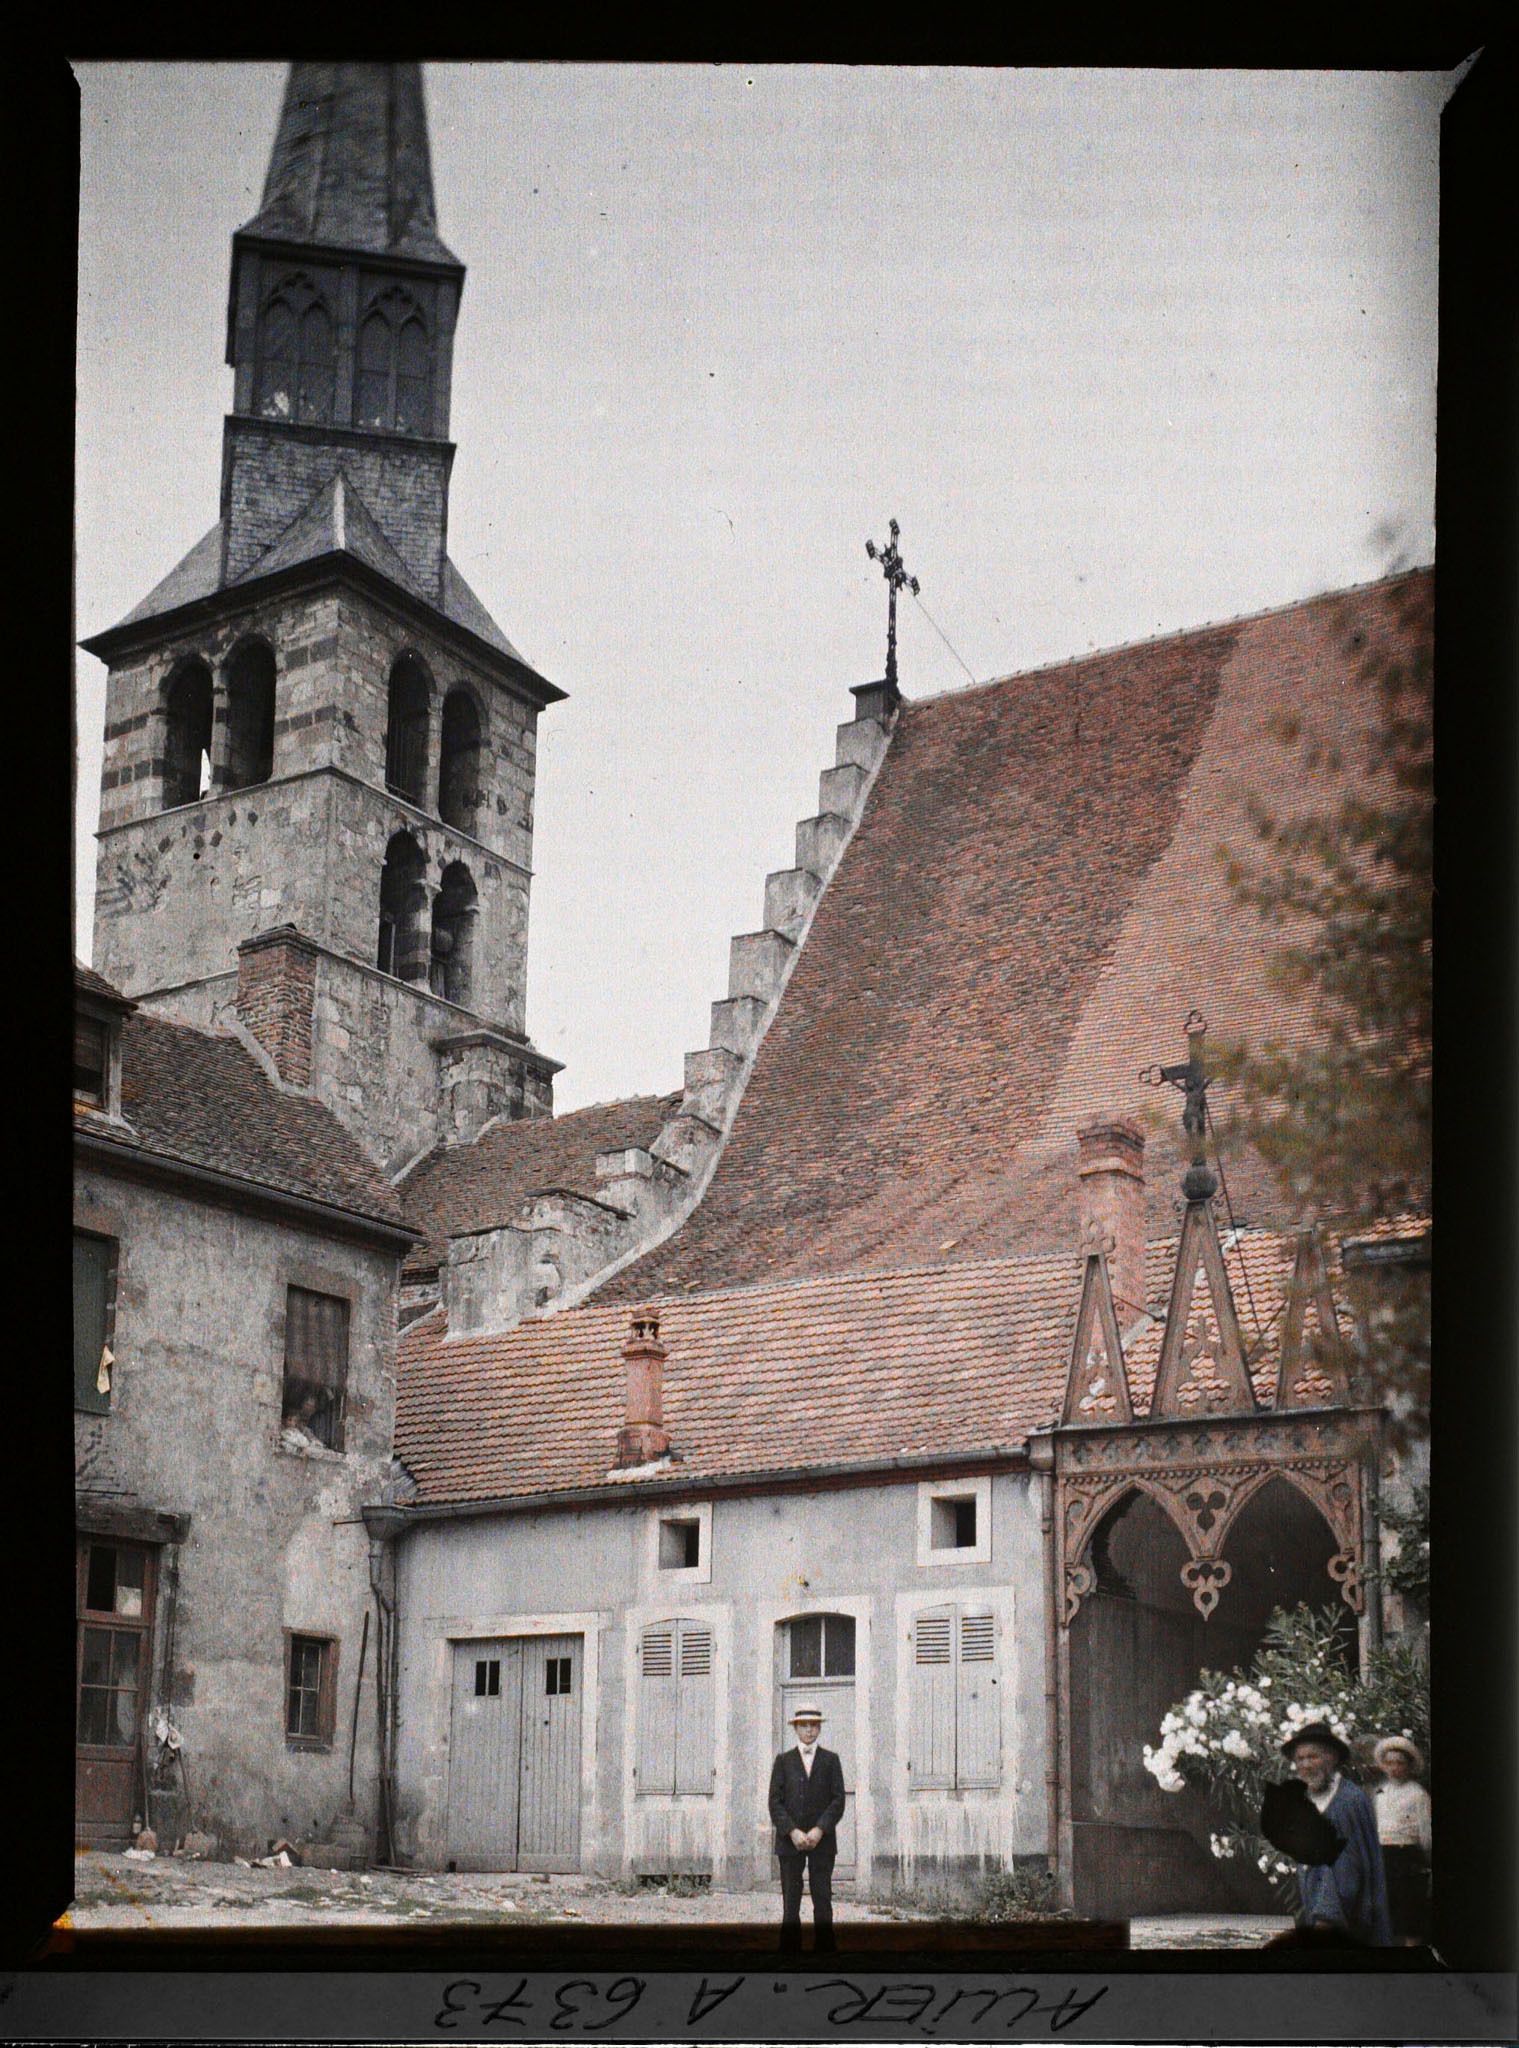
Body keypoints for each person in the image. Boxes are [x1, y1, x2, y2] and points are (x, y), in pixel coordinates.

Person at [1281, 1721, 1392, 1946]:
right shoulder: (1312, 1800)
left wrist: (1325, 1921)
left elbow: (1345, 1870)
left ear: (1331, 1758)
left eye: (1312, 1757)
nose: (1305, 1764)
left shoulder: (1346, 1803)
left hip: (1341, 1924)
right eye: (1300, 1759)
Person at [768, 1705, 846, 1953]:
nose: (810, 1730)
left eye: (814, 1725)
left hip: (822, 1841)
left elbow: (838, 1800)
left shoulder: (831, 1760)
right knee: (791, 1899)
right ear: (795, 1728)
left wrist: (819, 1830)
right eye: (804, 1725)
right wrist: (792, 1831)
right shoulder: (783, 1761)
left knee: (822, 1896)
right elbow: (774, 1802)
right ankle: (790, 1950)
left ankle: (825, 1949)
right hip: (789, 1842)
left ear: (819, 1728)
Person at [1372, 1735, 1432, 1946]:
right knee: (1385, 1912)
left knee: (1410, 1915)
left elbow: (1426, 1833)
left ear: (1409, 1765)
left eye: (1400, 1763)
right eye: (1389, 1763)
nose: (1394, 1768)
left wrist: (1425, 1859)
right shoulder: (1380, 1793)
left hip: (1408, 1858)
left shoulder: (1417, 1794)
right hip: (1384, 1856)